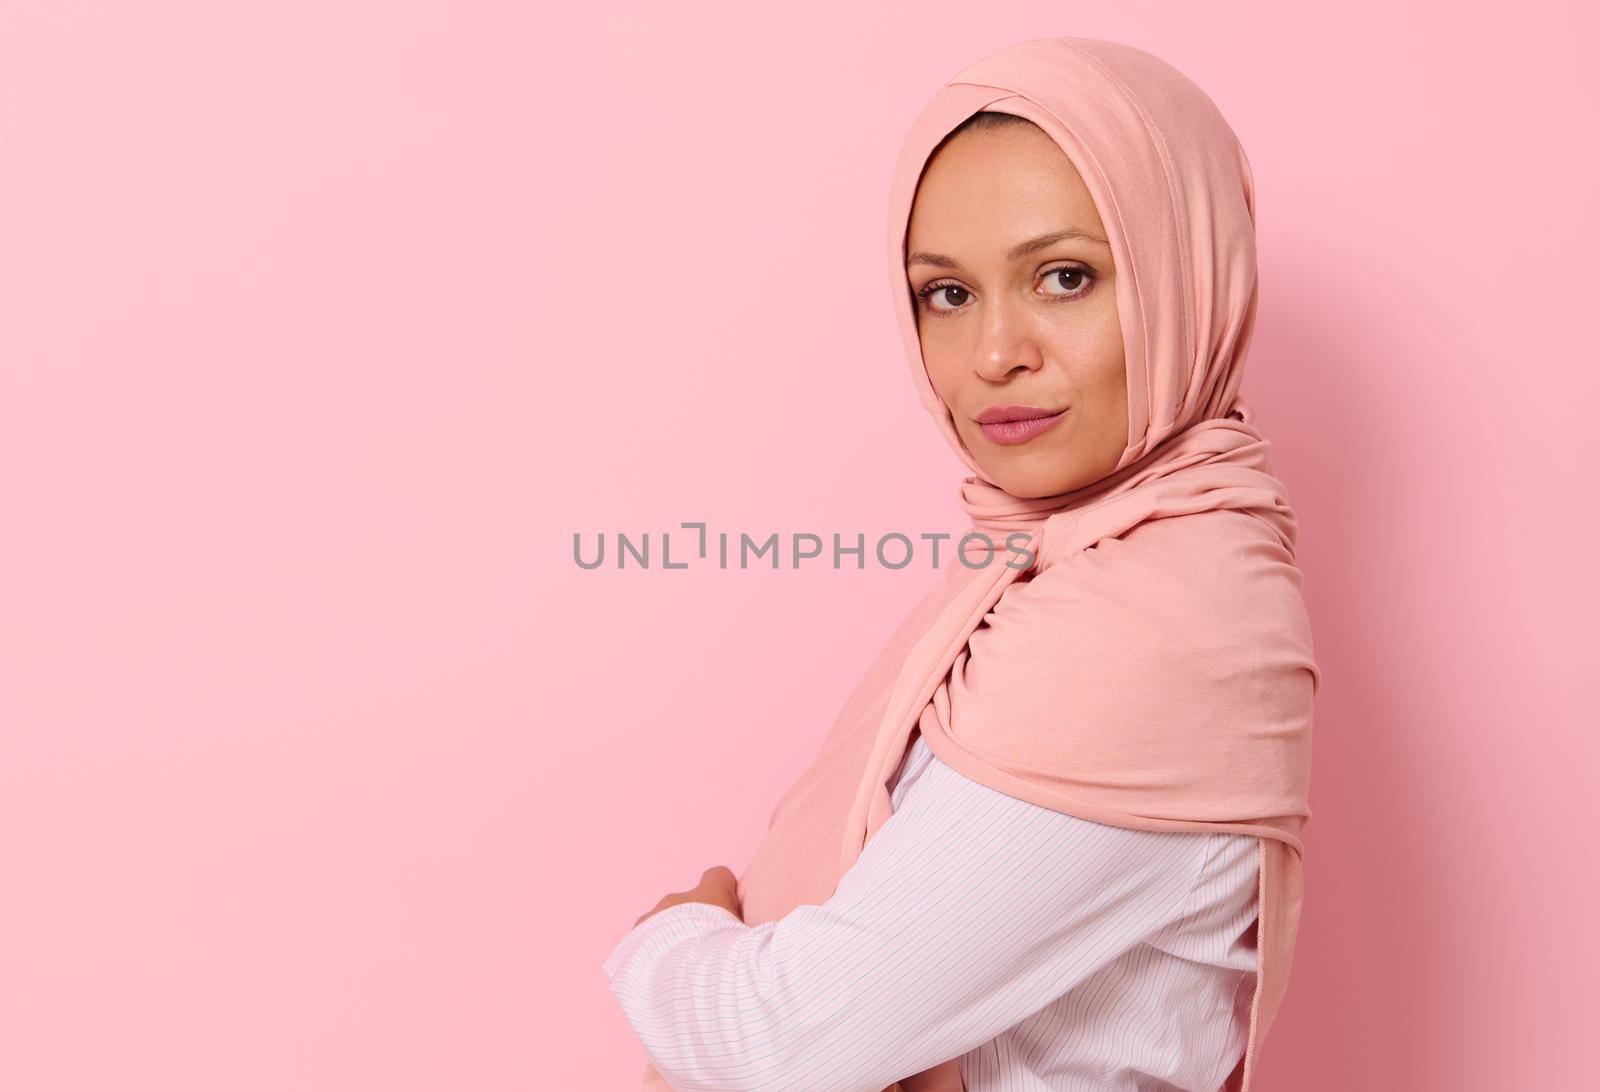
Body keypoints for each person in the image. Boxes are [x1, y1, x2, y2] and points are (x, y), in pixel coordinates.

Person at [602, 36, 1318, 1092]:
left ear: (1188, 278)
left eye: (1063, 277)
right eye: (945, 294)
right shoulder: (1054, 568)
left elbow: (787, 1045)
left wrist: (667, 939)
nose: (992, 355)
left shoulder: (1162, 629)